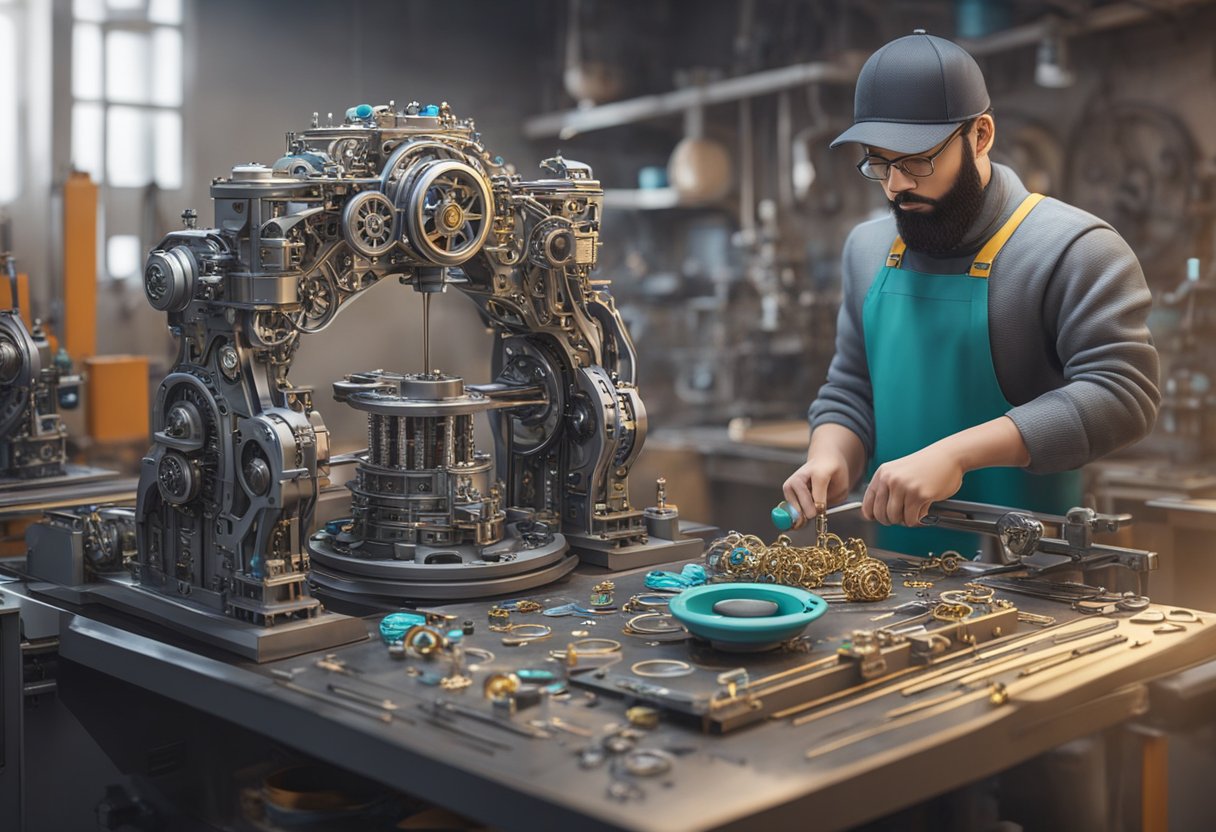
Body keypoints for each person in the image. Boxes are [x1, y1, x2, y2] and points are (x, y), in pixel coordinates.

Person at [781, 30, 1160, 556]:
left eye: (916, 160)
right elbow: (851, 389)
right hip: (891, 570)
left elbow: (1123, 395)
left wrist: (956, 455)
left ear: (980, 135)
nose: (895, 186)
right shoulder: (866, 248)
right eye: (878, 163)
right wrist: (830, 456)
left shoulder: (1073, 248)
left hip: (1032, 576)